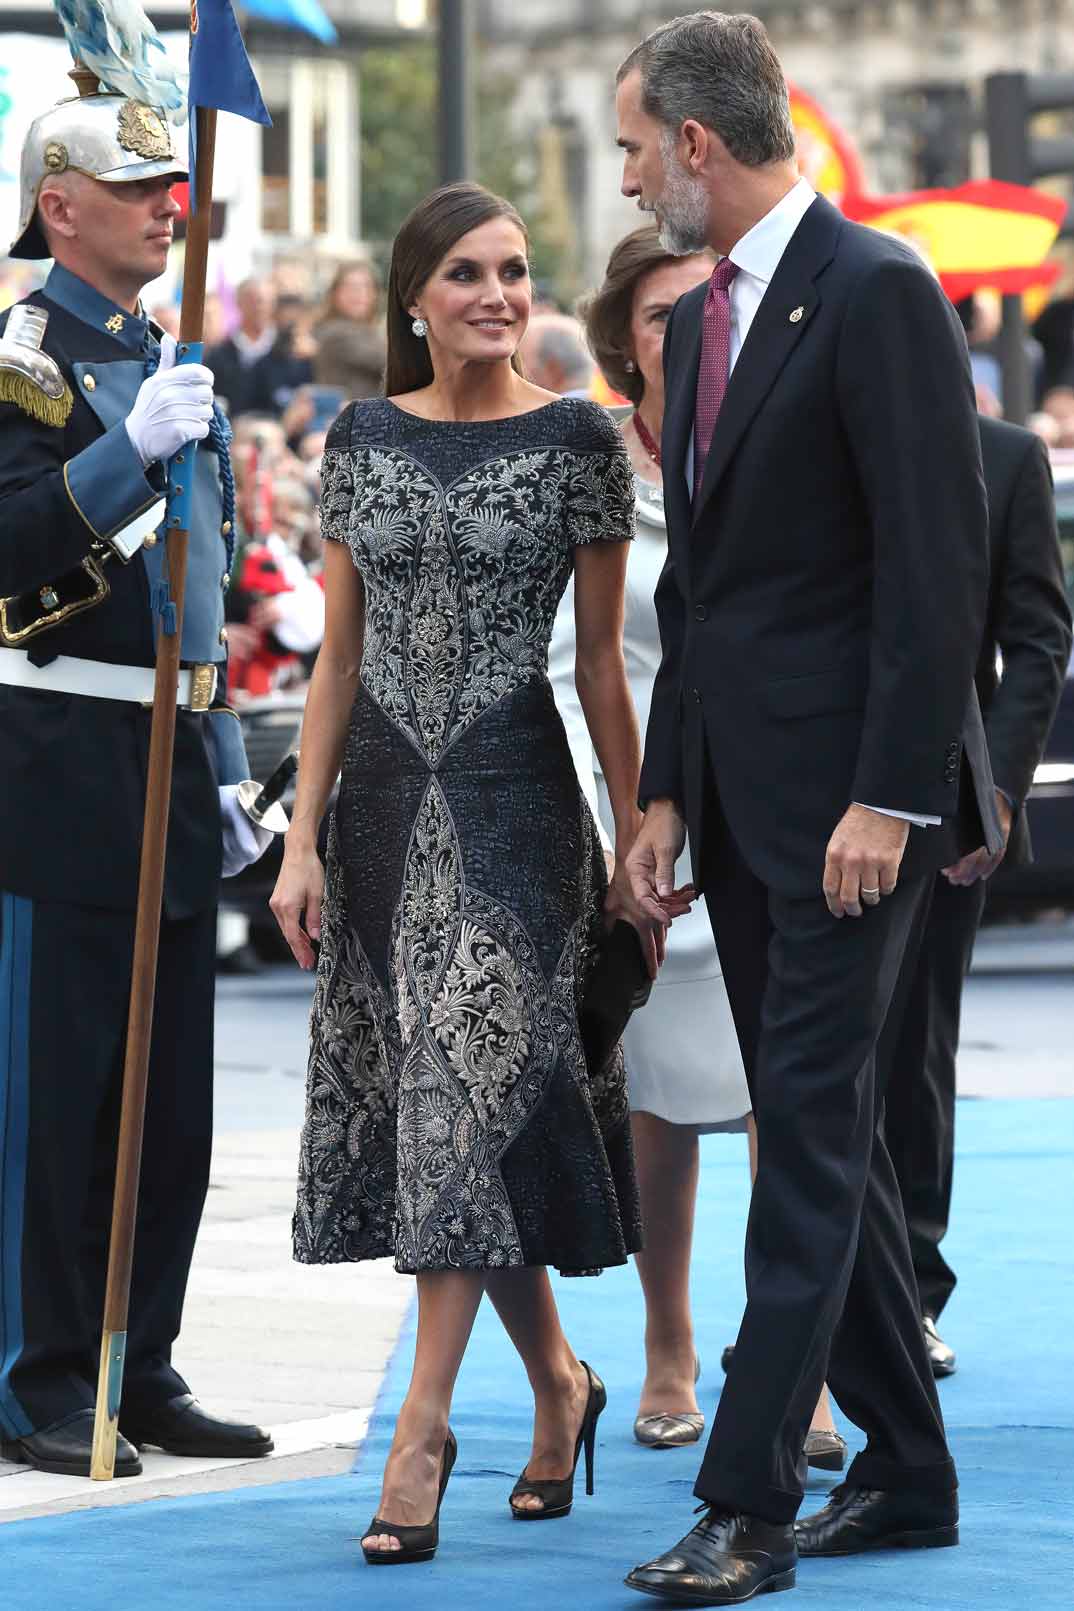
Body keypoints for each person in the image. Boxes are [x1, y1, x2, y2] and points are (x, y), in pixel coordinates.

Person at [614, 14, 1001, 1601]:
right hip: (739, 806)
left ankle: (749, 1499)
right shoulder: (702, 319)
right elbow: (704, 591)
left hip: (854, 816)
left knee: (809, 1145)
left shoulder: (880, 290)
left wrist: (889, 797)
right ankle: (905, 1473)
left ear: (698, 145)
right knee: (822, 1134)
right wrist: (657, 791)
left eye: (637, 147)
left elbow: (935, 571)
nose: (630, 176)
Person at [270, 181, 652, 1566]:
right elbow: (337, 660)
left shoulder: (578, 441)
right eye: (469, 274)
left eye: (514, 271)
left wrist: (637, 830)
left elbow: (602, 666)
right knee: (456, 1116)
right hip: (374, 812)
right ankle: (556, 1379)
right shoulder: (359, 438)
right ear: (415, 298)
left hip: (516, 814)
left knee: (458, 1095)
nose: (497, 293)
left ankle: (418, 1427)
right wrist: (303, 838)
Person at [0, 86, 273, 1477]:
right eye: (140, 183)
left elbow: (200, 591)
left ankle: (136, 1354)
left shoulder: (158, 352)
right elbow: (6, 559)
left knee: (168, 1101)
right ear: (61, 205)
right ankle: (36, 1370)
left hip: (169, 751)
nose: (173, 202)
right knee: (62, 1093)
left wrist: (228, 764)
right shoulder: (26, 353)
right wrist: (125, 459)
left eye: (177, 181)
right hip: (58, 759)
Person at [883, 414, 1073, 1375]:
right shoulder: (809, 430)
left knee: (915, 1052)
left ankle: (910, 1292)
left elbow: (1037, 636)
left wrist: (991, 795)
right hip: (800, 797)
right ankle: (807, 1303)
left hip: (948, 807)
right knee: (794, 1067)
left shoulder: (1003, 455)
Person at [311, 260, 387, 401]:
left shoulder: (369, 330)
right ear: (335, 294)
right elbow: (390, 362)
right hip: (352, 418)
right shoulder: (336, 333)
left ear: (374, 294)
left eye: (365, 287)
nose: (357, 294)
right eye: (350, 287)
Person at [206, 276, 277, 418]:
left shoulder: (290, 353)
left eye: (264, 301)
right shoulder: (217, 356)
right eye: (252, 301)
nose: (259, 307)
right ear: (238, 303)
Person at [520, 312, 596, 397]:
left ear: (553, 368)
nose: (517, 370)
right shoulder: (605, 403)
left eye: (522, 359)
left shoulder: (557, 408)